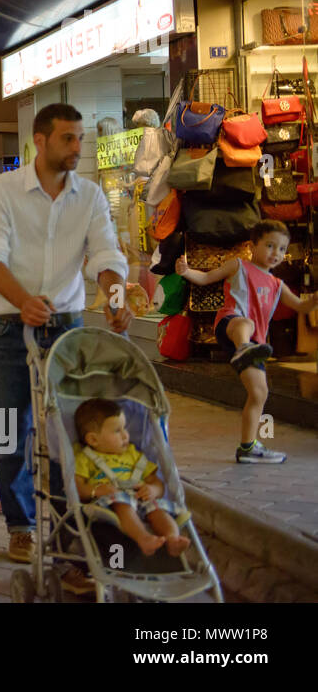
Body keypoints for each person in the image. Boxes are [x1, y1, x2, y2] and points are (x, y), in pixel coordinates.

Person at [0, 103, 132, 593]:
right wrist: (22, 302)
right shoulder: (0, 190)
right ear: (39, 142)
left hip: (65, 324)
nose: (76, 148)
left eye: (80, 139)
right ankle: (20, 525)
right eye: (67, 139)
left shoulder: (89, 195)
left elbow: (105, 253)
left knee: (70, 433)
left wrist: (115, 297)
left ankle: (68, 541)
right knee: (10, 427)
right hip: (7, 325)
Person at [175, 220, 317, 464]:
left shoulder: (277, 284)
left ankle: (248, 447)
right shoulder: (238, 266)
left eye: (282, 249)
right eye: (270, 245)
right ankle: (244, 348)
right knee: (246, 324)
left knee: (259, 393)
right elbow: (206, 277)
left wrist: (313, 300)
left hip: (254, 345)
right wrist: (186, 271)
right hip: (230, 325)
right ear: (253, 246)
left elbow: (300, 306)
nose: (276, 253)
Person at [74, 399, 190, 557]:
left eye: (124, 428)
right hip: (111, 503)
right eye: (117, 431)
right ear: (93, 439)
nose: (125, 435)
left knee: (157, 508)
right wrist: (96, 490)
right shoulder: (85, 458)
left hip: (139, 498)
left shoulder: (133, 454)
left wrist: (153, 490)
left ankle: (172, 539)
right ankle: (144, 539)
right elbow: (77, 487)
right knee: (122, 502)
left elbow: (156, 482)